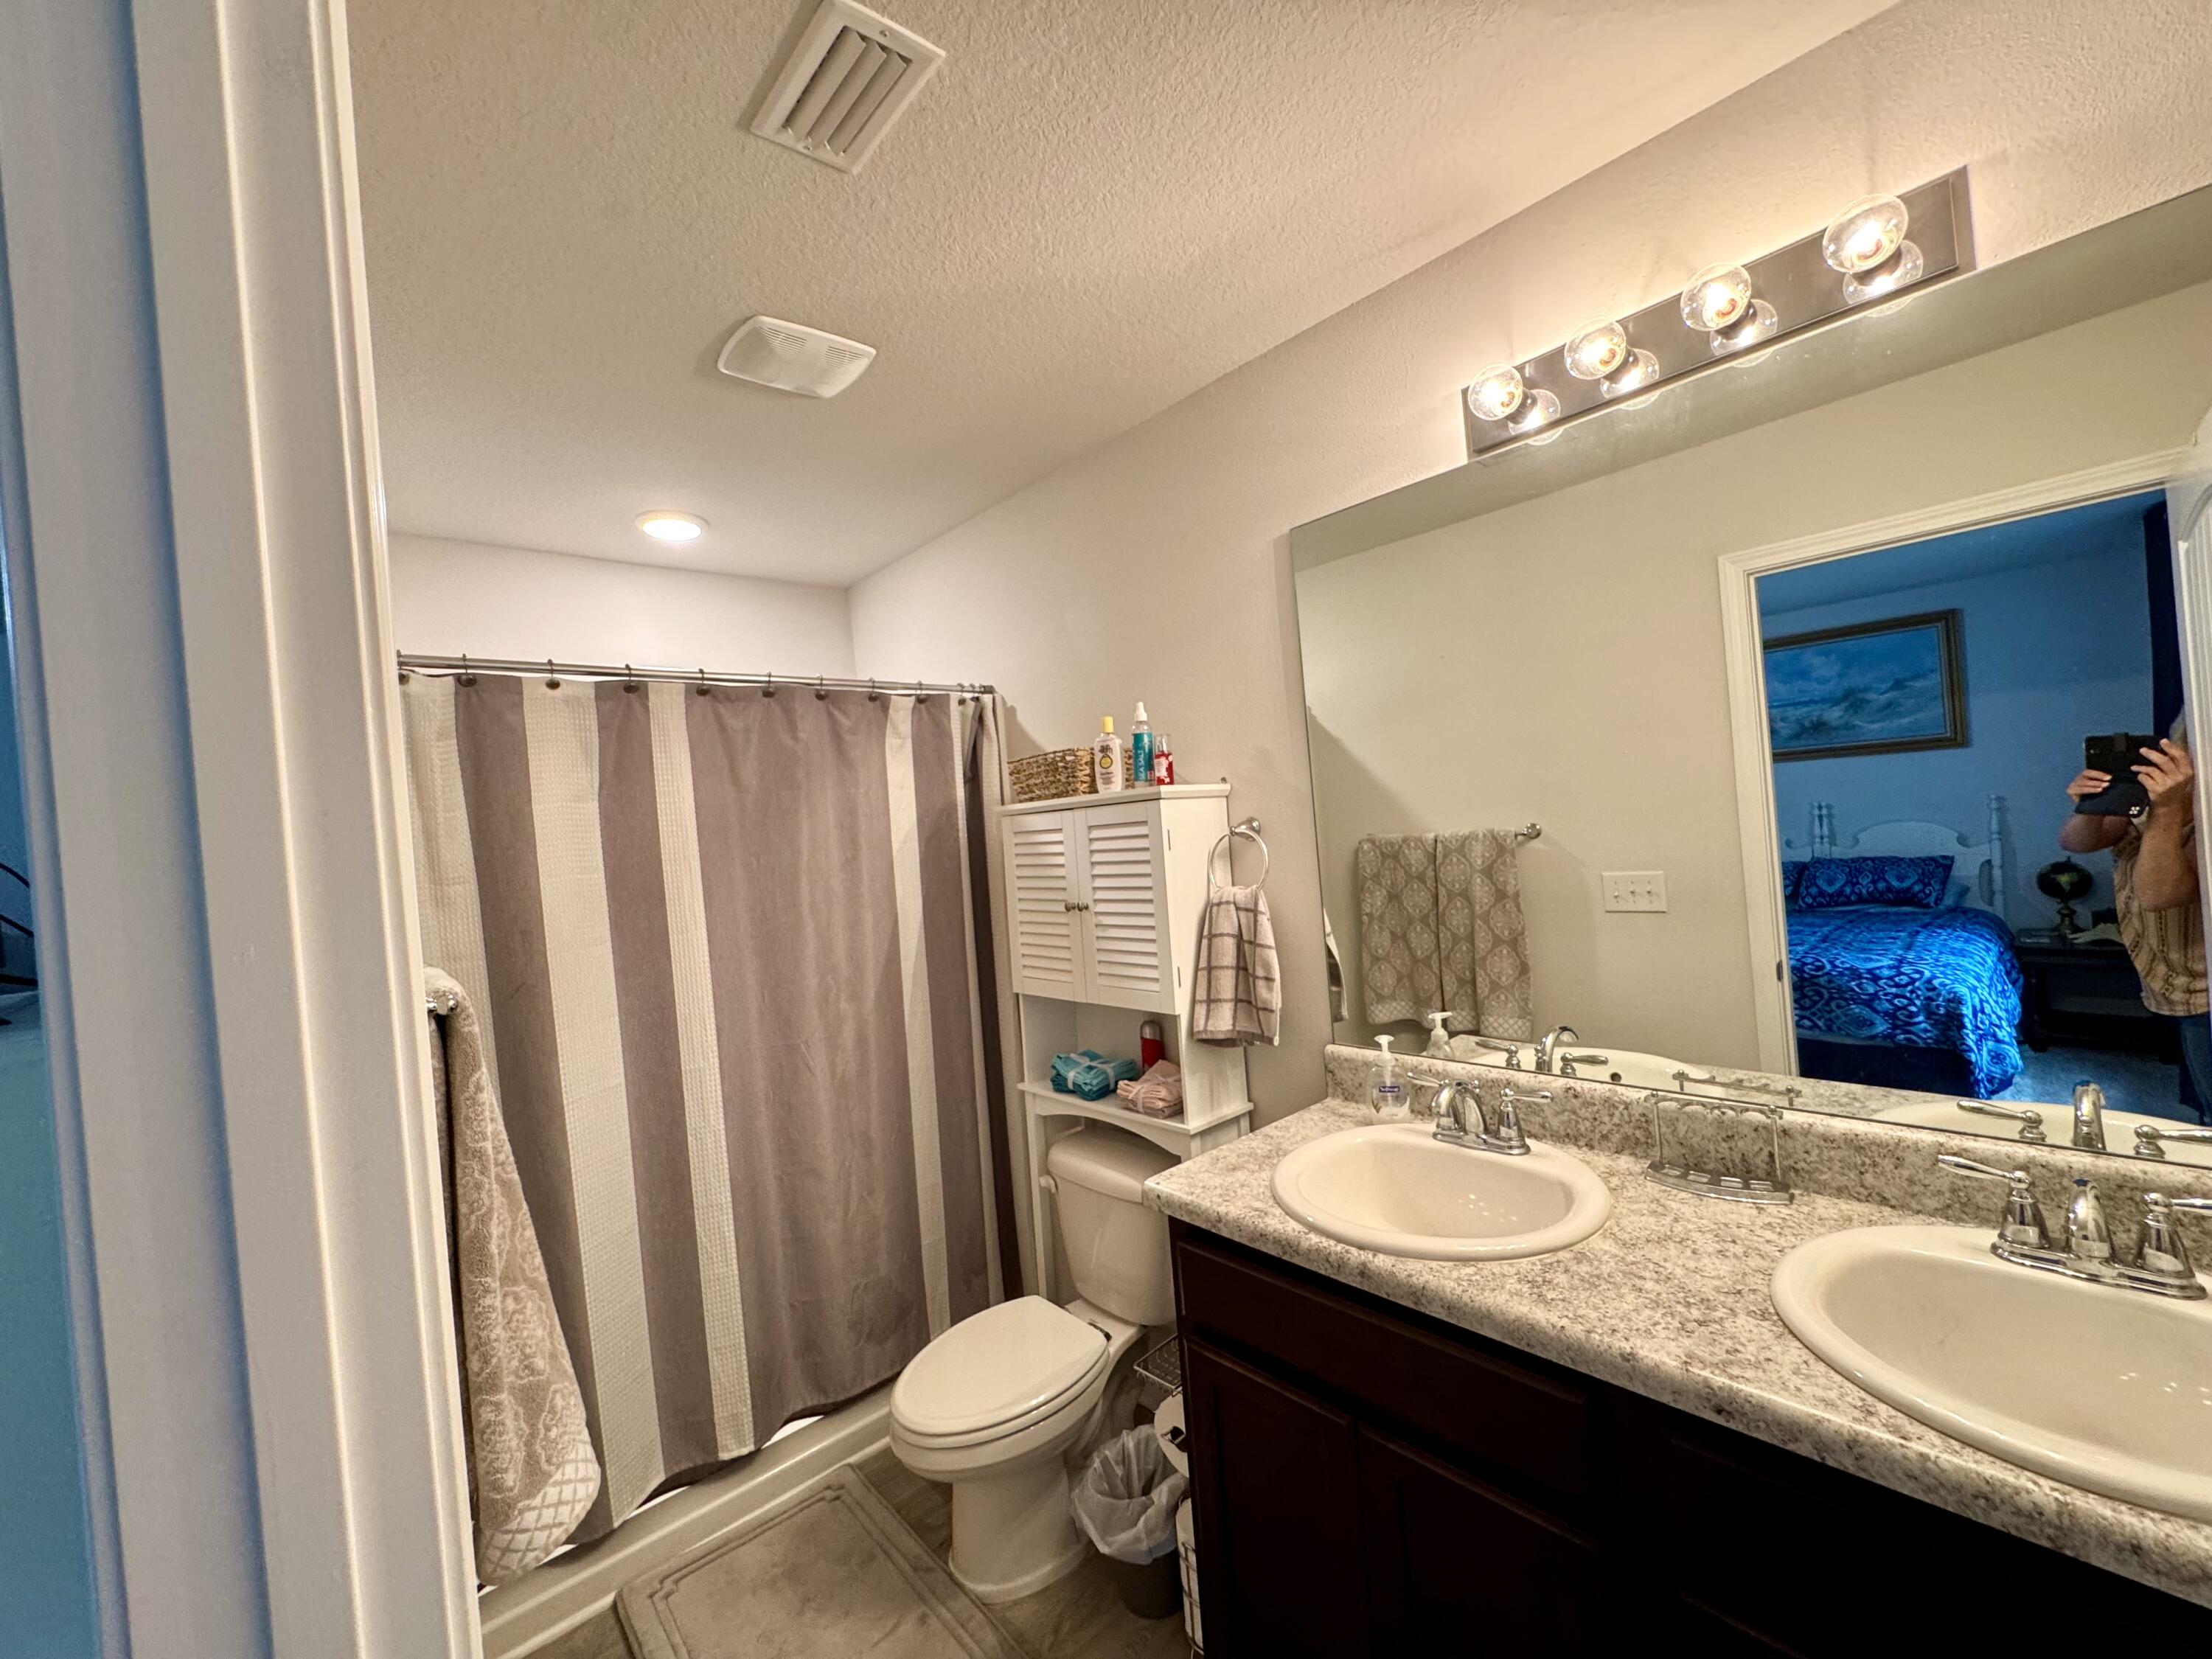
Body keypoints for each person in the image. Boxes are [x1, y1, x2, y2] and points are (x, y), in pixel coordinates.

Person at [2062, 724, 2211, 1118]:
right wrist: (2091, 804)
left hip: (2202, 978)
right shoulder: (2153, 796)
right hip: (2173, 972)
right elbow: (2076, 842)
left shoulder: (2198, 805)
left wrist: (2169, 808)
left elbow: (2158, 894)